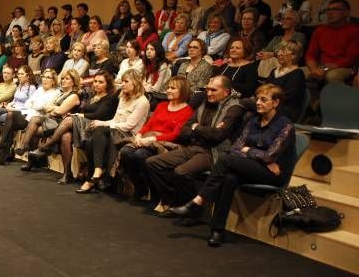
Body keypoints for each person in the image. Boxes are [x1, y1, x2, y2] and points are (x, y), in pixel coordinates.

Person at [169, 84, 296, 248]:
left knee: (225, 161)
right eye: (257, 99)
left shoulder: (285, 126)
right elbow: (236, 148)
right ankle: (217, 230)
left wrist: (250, 150)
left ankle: (197, 203)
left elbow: (270, 155)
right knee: (229, 178)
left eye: (263, 100)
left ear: (276, 103)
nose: (258, 102)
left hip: (275, 174)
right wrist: (257, 155)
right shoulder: (253, 121)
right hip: (255, 167)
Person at [144, 75, 244, 211]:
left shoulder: (234, 108)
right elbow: (184, 131)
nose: (208, 93)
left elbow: (217, 135)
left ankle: (193, 210)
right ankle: (171, 199)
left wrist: (196, 127)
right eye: (207, 90)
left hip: (213, 152)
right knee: (153, 162)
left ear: (226, 92)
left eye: (213, 90)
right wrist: (199, 129)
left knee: (181, 172)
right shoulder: (204, 104)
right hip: (193, 146)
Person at [29, 71, 118, 184]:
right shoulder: (92, 95)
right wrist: (78, 114)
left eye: (100, 82)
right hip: (83, 124)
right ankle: (67, 173)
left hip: (97, 126)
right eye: (95, 81)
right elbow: (81, 109)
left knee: (69, 119)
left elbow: (99, 115)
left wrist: (80, 115)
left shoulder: (110, 98)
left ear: (108, 84)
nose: (96, 84)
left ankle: (46, 147)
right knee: (66, 136)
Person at [117, 76, 193, 201]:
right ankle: (140, 187)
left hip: (166, 143)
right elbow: (149, 124)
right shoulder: (162, 105)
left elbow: (175, 135)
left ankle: (153, 189)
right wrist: (140, 134)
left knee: (140, 154)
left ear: (183, 91)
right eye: (168, 87)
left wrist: (153, 139)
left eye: (173, 88)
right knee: (126, 152)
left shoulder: (187, 111)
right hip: (148, 138)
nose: (168, 90)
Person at [76, 69, 149, 193]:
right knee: (91, 140)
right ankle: (96, 174)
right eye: (122, 81)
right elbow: (115, 120)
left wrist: (104, 123)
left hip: (128, 135)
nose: (122, 84)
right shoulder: (123, 98)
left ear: (136, 83)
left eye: (126, 81)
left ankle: (92, 178)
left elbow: (128, 126)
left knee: (98, 130)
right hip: (115, 130)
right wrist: (104, 124)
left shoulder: (142, 101)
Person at [305, 0, 359, 85]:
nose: (330, 12)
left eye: (335, 9)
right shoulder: (320, 30)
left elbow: (351, 58)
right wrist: (314, 69)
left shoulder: (354, 31)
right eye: (328, 9)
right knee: (296, 71)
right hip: (321, 66)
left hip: (344, 67)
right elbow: (310, 54)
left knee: (332, 75)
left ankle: (340, 98)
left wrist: (331, 67)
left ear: (346, 13)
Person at [262, 42, 307, 121]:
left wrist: (266, 100)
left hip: (285, 110)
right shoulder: (274, 71)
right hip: (268, 105)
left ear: (294, 56)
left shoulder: (297, 74)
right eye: (279, 51)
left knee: (246, 104)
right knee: (247, 114)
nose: (279, 54)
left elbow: (287, 97)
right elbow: (264, 89)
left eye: (284, 51)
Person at [257, 10, 307, 78]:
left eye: (288, 19)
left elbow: (294, 52)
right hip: (270, 66)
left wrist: (273, 54)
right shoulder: (277, 38)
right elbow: (265, 51)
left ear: (295, 22)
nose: (284, 21)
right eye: (283, 18)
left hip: (288, 65)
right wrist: (261, 54)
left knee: (271, 59)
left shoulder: (299, 36)